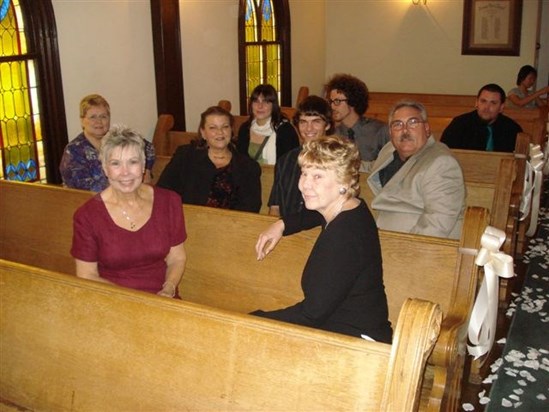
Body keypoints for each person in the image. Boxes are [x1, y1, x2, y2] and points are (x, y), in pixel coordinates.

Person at [252, 135, 392, 343]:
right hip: (337, 329)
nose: (305, 185)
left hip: (357, 343)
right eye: (304, 173)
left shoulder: (345, 236)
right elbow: (316, 213)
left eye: (318, 176)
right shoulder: (351, 206)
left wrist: (254, 320)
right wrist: (282, 224)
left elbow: (311, 314)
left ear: (344, 182)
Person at [71, 125, 186, 298]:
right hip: (113, 299)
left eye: (133, 162)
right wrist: (135, 300)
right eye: (115, 163)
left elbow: (177, 258)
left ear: (143, 165)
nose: (125, 173)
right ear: (105, 168)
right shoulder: (87, 216)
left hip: (163, 298)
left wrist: (168, 288)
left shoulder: (169, 201)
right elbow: (87, 275)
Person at [368, 100, 465, 239]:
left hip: (414, 246)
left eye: (413, 122)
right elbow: (371, 167)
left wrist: (407, 251)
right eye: (397, 124)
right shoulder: (389, 149)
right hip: (380, 237)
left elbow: (437, 222)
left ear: (426, 128)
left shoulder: (441, 163)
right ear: (390, 132)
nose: (405, 130)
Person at [157, 106, 261, 212]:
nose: (220, 132)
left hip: (231, 225)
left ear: (231, 130)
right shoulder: (185, 156)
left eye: (225, 127)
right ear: (203, 133)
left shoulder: (248, 167)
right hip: (187, 222)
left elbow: (250, 208)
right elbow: (163, 191)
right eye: (213, 128)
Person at [60, 94, 156, 192]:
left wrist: (146, 170)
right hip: (93, 201)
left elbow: (148, 147)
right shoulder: (73, 150)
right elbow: (83, 187)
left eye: (103, 116)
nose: (99, 121)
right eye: (93, 117)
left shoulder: (117, 139)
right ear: (82, 121)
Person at [268, 95, 334, 217]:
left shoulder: (336, 160)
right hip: (286, 228)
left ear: (328, 125)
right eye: (303, 122)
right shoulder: (285, 160)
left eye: (316, 122)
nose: (309, 128)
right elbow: (275, 207)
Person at [325, 73, 389, 171]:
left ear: (352, 101)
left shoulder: (379, 130)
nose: (332, 107)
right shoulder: (332, 133)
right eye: (331, 102)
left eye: (337, 101)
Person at [440, 84, 523, 153]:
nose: (486, 107)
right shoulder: (459, 124)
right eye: (483, 101)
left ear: (501, 107)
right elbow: (443, 153)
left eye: (493, 103)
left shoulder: (512, 129)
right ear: (476, 103)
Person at [236, 84, 300, 164]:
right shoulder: (245, 128)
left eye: (266, 102)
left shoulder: (285, 130)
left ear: (273, 105)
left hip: (275, 176)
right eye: (256, 101)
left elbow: (291, 164)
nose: (260, 106)